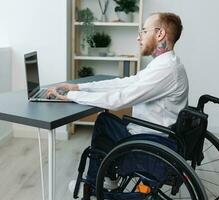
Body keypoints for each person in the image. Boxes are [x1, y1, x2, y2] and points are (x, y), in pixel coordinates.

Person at [48, 12, 188, 195]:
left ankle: (92, 185)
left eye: (144, 31)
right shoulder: (164, 65)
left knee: (104, 121)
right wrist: (78, 87)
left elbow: (120, 99)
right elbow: (124, 83)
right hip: (156, 135)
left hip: (151, 141)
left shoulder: (166, 70)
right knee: (107, 120)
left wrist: (73, 97)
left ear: (160, 34)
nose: (139, 37)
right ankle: (109, 179)